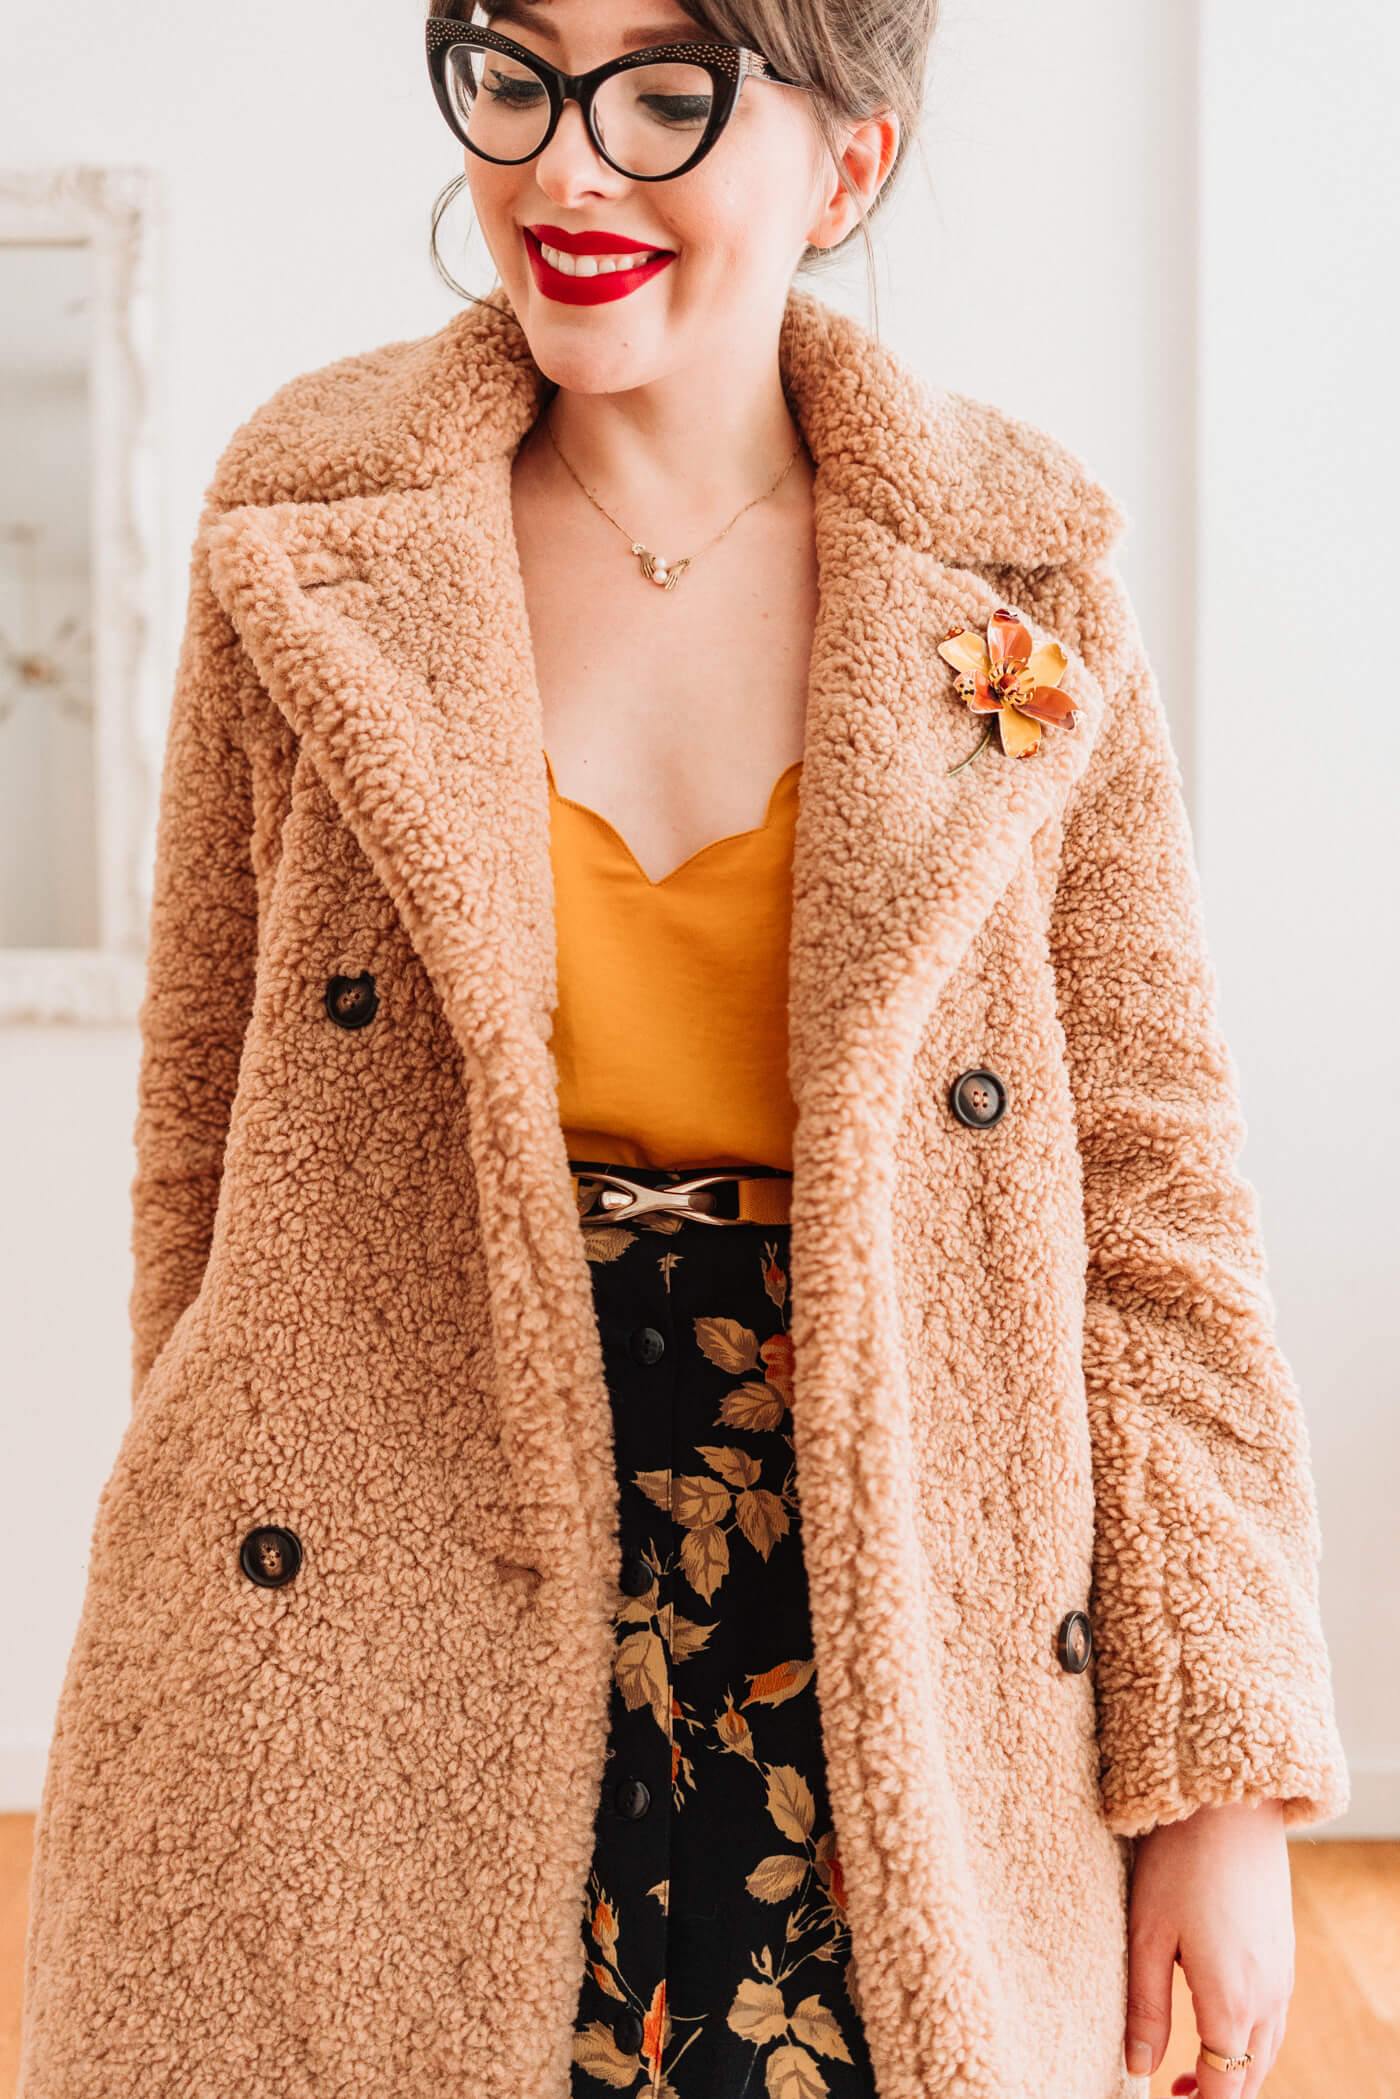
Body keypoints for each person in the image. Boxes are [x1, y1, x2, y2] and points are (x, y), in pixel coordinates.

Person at [16, 2, 1349, 2096]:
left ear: (848, 166)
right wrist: (236, 1593)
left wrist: (1219, 1785)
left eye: (667, 96)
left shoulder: (1020, 570)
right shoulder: (306, 524)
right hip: (390, 1572)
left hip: (883, 1573)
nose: (567, 168)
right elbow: (199, 1139)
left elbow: (1158, 1201)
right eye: (518, 74)